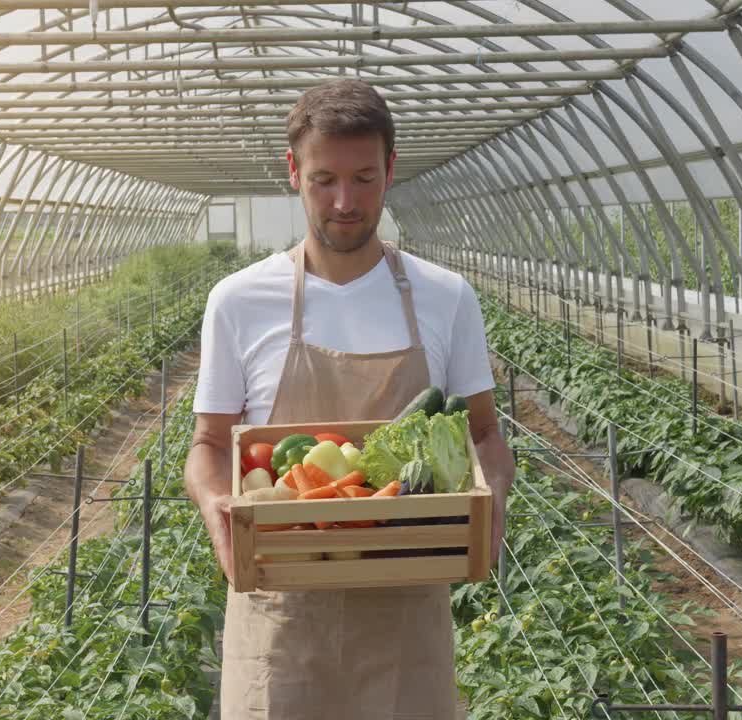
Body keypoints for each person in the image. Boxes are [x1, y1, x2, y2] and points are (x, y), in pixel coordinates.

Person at [184, 78, 513, 720]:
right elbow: (208, 443)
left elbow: (484, 436)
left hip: (407, 618)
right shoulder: (239, 301)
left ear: (390, 169)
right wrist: (216, 501)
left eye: (364, 178)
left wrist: (492, 498)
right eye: (323, 179)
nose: (344, 201)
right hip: (282, 622)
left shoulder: (446, 297)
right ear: (293, 172)